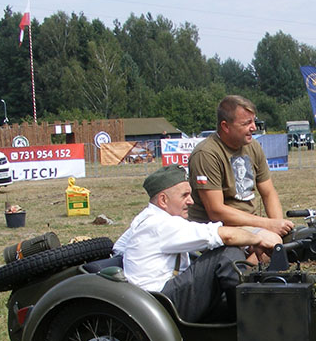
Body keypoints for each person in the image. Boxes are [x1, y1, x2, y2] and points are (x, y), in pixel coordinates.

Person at [113, 164, 281, 323]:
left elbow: (119, 248)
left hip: (152, 300)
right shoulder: (160, 224)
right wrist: (258, 238)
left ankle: (241, 314)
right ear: (163, 200)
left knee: (220, 252)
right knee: (226, 254)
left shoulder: (145, 219)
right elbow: (224, 236)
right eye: (184, 195)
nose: (191, 201)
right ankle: (254, 319)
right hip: (161, 304)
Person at [187, 95, 294, 237]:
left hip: (251, 225)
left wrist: (279, 226)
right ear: (225, 126)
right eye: (246, 123)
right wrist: (267, 225)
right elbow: (215, 211)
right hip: (216, 231)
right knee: (271, 242)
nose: (253, 128)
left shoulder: (253, 146)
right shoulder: (206, 154)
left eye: (254, 121)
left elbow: (268, 193)